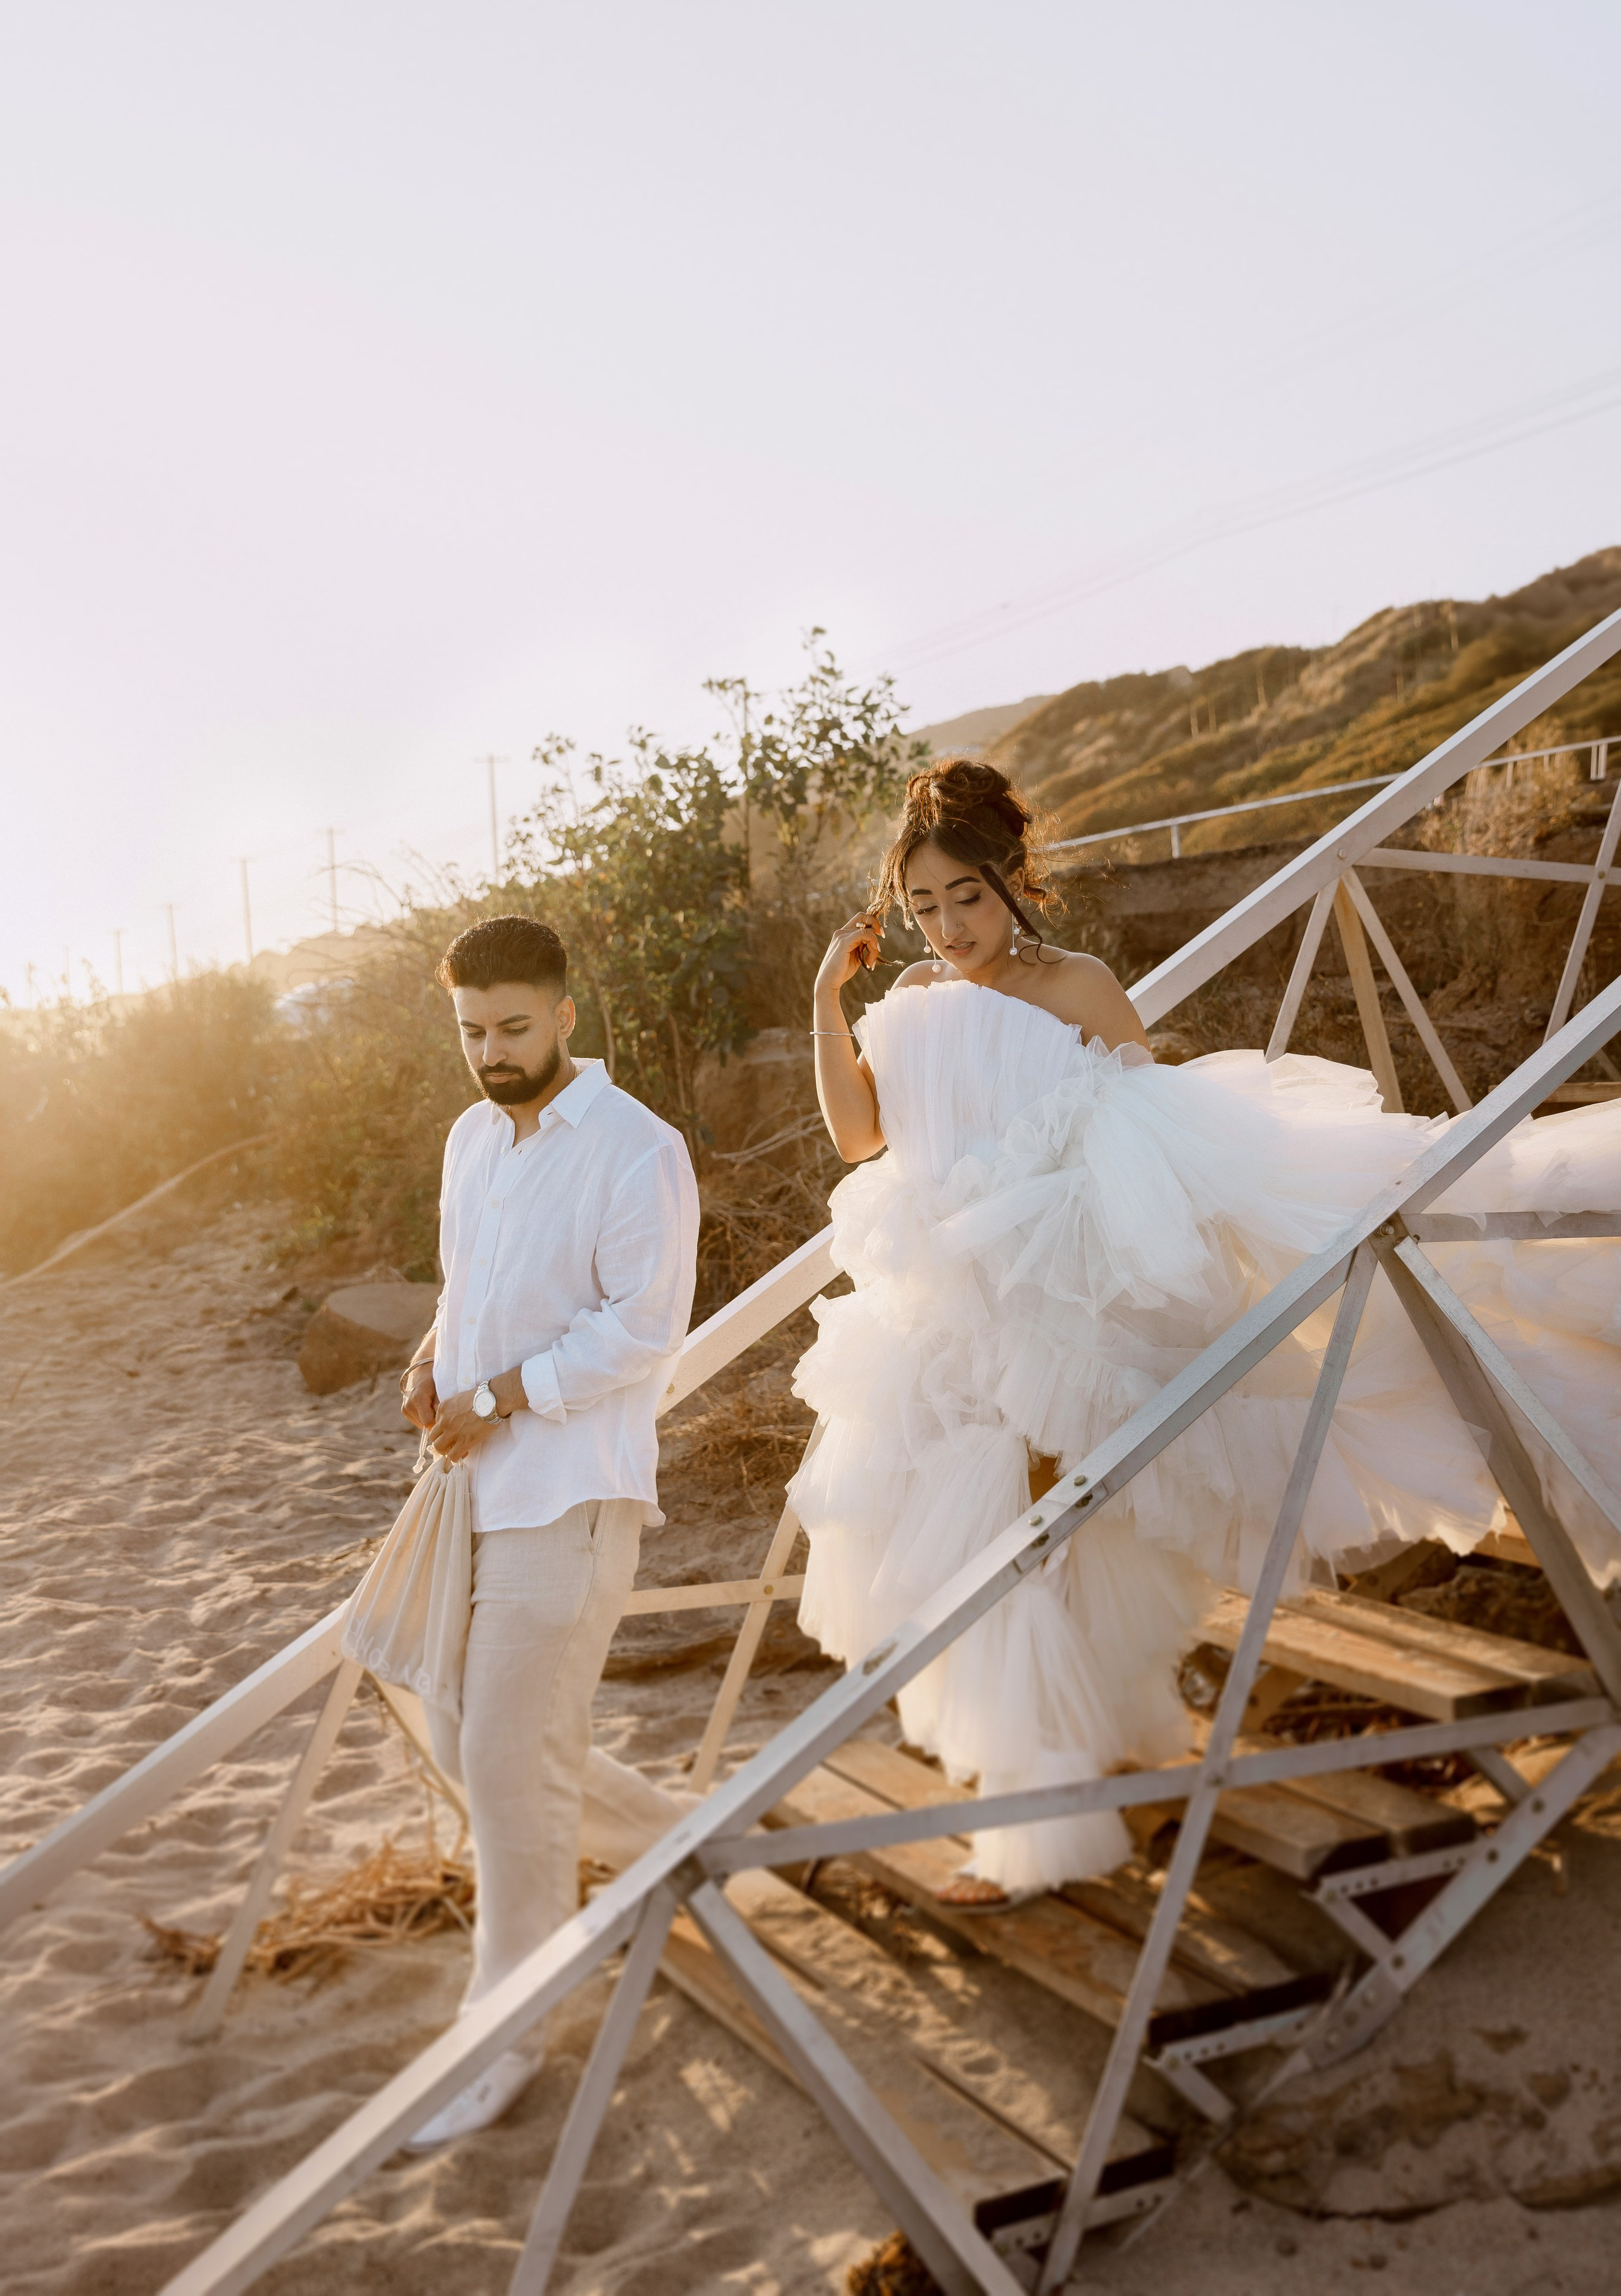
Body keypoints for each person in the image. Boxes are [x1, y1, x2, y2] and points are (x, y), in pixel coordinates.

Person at [793, 758, 1621, 1905]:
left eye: (968, 897)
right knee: (970, 1553)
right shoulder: (910, 1008)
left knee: (1026, 1550)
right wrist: (827, 1004)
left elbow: (1154, 1140)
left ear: (1011, 878)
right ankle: (1091, 1760)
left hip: (1061, 1308)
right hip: (941, 1317)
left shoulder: (1078, 985)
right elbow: (856, 1140)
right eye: (925, 905)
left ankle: (1035, 1832)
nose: (949, 925)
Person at [396, 913, 699, 2147]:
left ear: (567, 1012)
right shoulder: (473, 1135)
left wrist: (497, 1394)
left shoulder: (639, 1148)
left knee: (507, 1766)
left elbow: (644, 1328)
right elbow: (467, 1281)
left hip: (569, 1492)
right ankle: (687, 1846)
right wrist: (430, 1356)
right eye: (471, 1030)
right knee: (462, 1724)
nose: (492, 1052)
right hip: (470, 1488)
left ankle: (506, 2028)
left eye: (513, 1027)